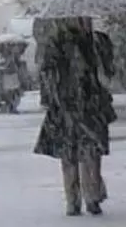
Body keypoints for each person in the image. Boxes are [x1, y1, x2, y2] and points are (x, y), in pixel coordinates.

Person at [34, 15, 114, 216]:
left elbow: (109, 71)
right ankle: (74, 199)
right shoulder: (57, 44)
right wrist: (54, 98)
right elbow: (47, 74)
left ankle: (92, 195)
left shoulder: (98, 41)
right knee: (70, 154)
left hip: (90, 106)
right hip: (67, 106)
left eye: (85, 18)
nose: (83, 22)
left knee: (91, 152)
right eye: (78, 19)